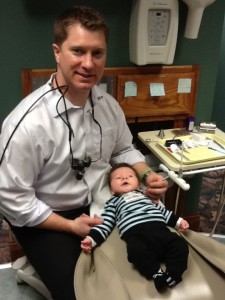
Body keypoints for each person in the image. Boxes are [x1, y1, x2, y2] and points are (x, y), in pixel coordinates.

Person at [0, 6, 168, 300]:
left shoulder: (107, 105)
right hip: (44, 216)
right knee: (83, 291)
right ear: (57, 52)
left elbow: (124, 149)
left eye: (97, 53)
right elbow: (12, 200)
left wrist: (147, 173)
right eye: (78, 51)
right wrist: (69, 226)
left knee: (146, 265)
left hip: (97, 203)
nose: (88, 64)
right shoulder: (26, 124)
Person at [81, 163, 189, 293]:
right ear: (112, 190)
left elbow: (162, 211)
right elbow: (106, 223)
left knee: (180, 244)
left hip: (160, 230)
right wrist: (92, 239)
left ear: (138, 185)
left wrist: (179, 221)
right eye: (118, 178)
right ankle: (156, 273)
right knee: (135, 251)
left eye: (130, 176)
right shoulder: (114, 203)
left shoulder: (146, 197)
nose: (124, 178)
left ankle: (173, 274)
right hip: (136, 236)